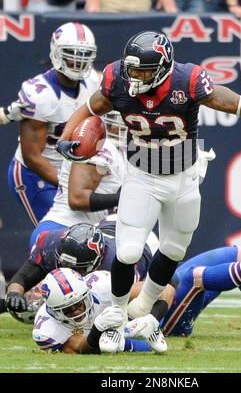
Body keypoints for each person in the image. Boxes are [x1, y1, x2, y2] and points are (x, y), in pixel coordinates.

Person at [56, 29, 241, 353]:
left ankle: (144, 313)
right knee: (127, 251)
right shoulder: (117, 79)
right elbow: (91, 107)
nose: (133, 77)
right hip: (141, 174)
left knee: (174, 250)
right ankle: (116, 314)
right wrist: (67, 136)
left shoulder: (187, 81)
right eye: (131, 69)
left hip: (184, 177)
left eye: (142, 72)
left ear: (164, 68)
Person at [127, 223, 241, 344]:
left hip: (158, 285)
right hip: (156, 315)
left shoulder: (125, 228)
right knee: (193, 278)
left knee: (238, 254)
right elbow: (144, 291)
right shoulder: (109, 269)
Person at [0, 22, 98, 226]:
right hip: (35, 175)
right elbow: (33, 157)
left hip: (71, 170)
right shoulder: (41, 95)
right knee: (60, 237)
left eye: (84, 55)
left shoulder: (92, 83)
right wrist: (70, 184)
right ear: (56, 52)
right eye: (71, 53)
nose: (78, 61)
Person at [4, 220, 155, 323]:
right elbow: (25, 274)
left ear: (95, 262)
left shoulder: (116, 263)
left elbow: (129, 297)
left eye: (78, 268)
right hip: (106, 226)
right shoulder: (52, 243)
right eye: (64, 264)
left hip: (145, 243)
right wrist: (13, 293)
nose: (69, 271)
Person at [29, 112, 127, 248]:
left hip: (76, 233)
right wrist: (124, 198)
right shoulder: (101, 146)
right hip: (64, 232)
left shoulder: (116, 149)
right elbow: (78, 199)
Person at [32, 268, 154, 354]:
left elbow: (166, 291)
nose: (76, 311)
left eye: (79, 304)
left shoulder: (102, 286)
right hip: (112, 337)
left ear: (86, 294)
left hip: (134, 320)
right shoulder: (46, 329)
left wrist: (153, 321)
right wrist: (98, 329)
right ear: (55, 311)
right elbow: (79, 348)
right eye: (67, 309)